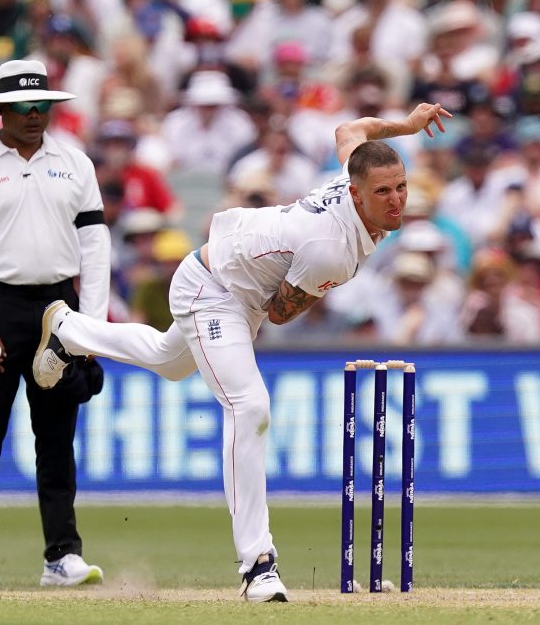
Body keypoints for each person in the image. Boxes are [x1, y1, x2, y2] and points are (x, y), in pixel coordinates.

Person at [30, 103, 452, 602]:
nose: (396, 200)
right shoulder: (330, 250)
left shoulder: (354, 172)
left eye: (401, 187)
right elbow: (281, 314)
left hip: (235, 282)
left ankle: (70, 330)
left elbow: (351, 129)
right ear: (355, 193)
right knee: (250, 408)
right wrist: (299, 286)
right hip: (213, 290)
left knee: (168, 361)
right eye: (383, 192)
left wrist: (407, 126)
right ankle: (258, 565)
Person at [0, 60, 110, 588]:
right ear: (1, 110)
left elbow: (95, 246)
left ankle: (62, 555)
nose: (35, 115)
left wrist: (90, 328)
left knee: (57, 435)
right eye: (23, 106)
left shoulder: (75, 163)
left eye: (42, 105)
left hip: (58, 306)